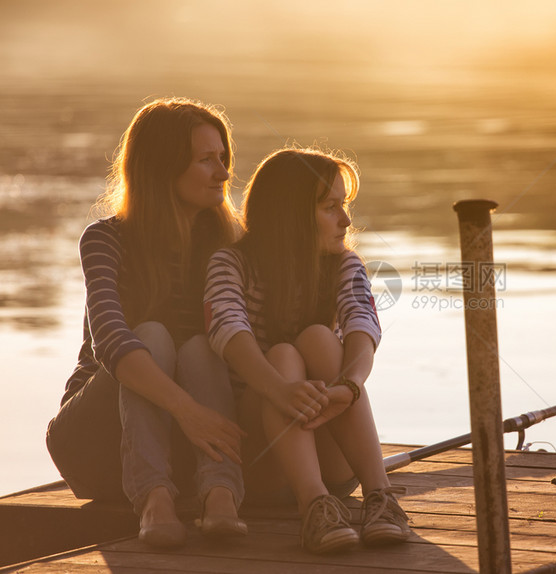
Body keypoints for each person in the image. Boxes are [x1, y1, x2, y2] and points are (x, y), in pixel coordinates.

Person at [45, 97, 248, 549]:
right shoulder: (105, 239)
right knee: (150, 334)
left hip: (189, 447)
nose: (223, 173)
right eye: (205, 160)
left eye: (223, 158)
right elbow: (111, 342)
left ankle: (220, 492)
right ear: (162, 168)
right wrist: (188, 411)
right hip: (96, 443)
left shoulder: (231, 248)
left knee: (199, 346)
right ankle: (154, 499)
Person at [204, 147, 410, 554]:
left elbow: (363, 326)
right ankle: (313, 505)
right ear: (292, 214)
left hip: (335, 459)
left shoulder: (343, 265)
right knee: (282, 356)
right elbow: (226, 330)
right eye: (331, 207)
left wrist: (348, 388)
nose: (346, 221)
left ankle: (379, 494)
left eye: (344, 205)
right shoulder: (231, 264)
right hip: (263, 465)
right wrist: (280, 391)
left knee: (318, 337)